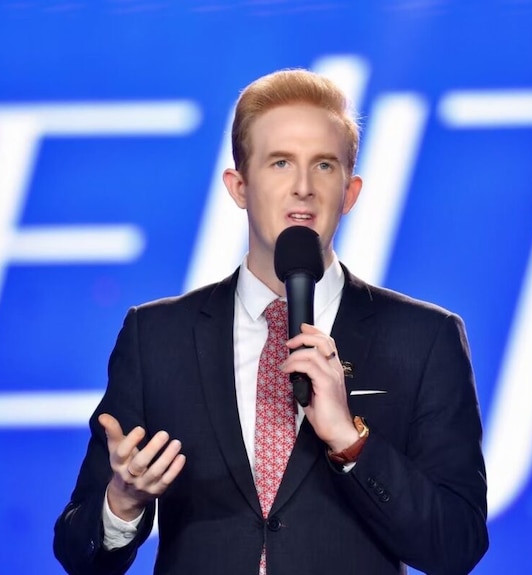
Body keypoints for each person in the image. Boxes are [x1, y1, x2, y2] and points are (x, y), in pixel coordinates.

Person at [53, 68, 488, 575]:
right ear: (239, 186)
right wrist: (122, 503)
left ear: (350, 193)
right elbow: (77, 553)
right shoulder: (157, 338)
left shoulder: (424, 339)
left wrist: (352, 443)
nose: (303, 187)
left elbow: (457, 545)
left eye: (324, 166)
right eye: (280, 162)